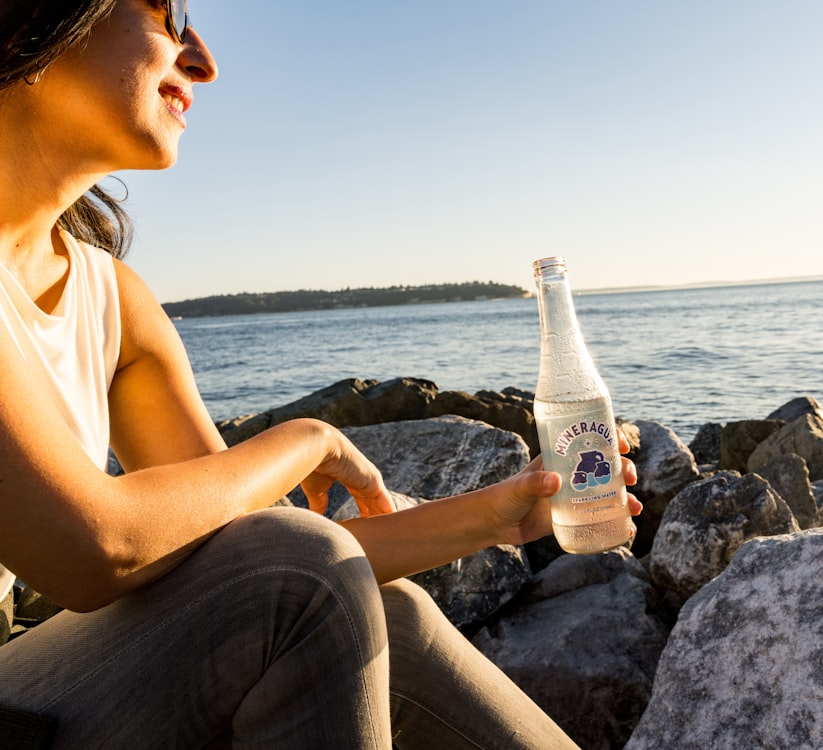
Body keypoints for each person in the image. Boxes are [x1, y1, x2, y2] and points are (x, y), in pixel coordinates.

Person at [0, 1, 641, 748]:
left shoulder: (111, 300)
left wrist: (497, 515)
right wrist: (305, 439)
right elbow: (96, 550)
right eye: (168, 11)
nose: (202, 58)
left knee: (378, 607)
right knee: (303, 573)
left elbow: (236, 548)